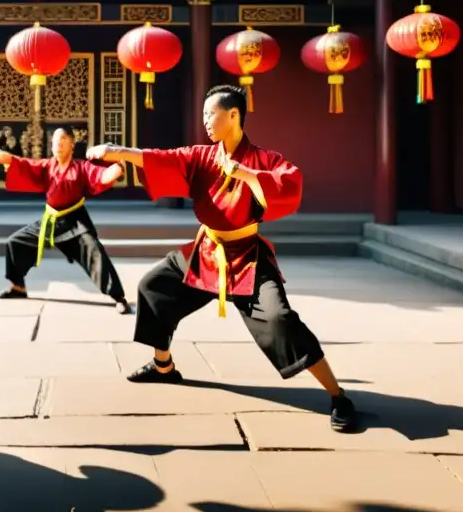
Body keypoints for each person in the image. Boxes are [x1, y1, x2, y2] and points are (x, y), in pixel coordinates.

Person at [85, 84, 358, 432]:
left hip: (247, 257)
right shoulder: (202, 155)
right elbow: (162, 158)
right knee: (153, 287)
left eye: (210, 114)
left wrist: (246, 175)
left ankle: (338, 396)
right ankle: (163, 366)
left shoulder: (266, 159)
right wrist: (116, 150)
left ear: (233, 115)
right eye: (202, 115)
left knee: (280, 320)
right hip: (206, 251)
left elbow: (288, 184)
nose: (205, 121)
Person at [0, 128, 132, 314]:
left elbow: (102, 176)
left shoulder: (82, 167)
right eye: (55, 139)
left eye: (63, 138)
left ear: (72, 144)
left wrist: (119, 165)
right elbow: (20, 163)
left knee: (95, 253)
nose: (58, 142)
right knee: (15, 243)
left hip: (75, 222)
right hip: (51, 221)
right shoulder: (47, 166)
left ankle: (118, 297)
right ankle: (18, 287)